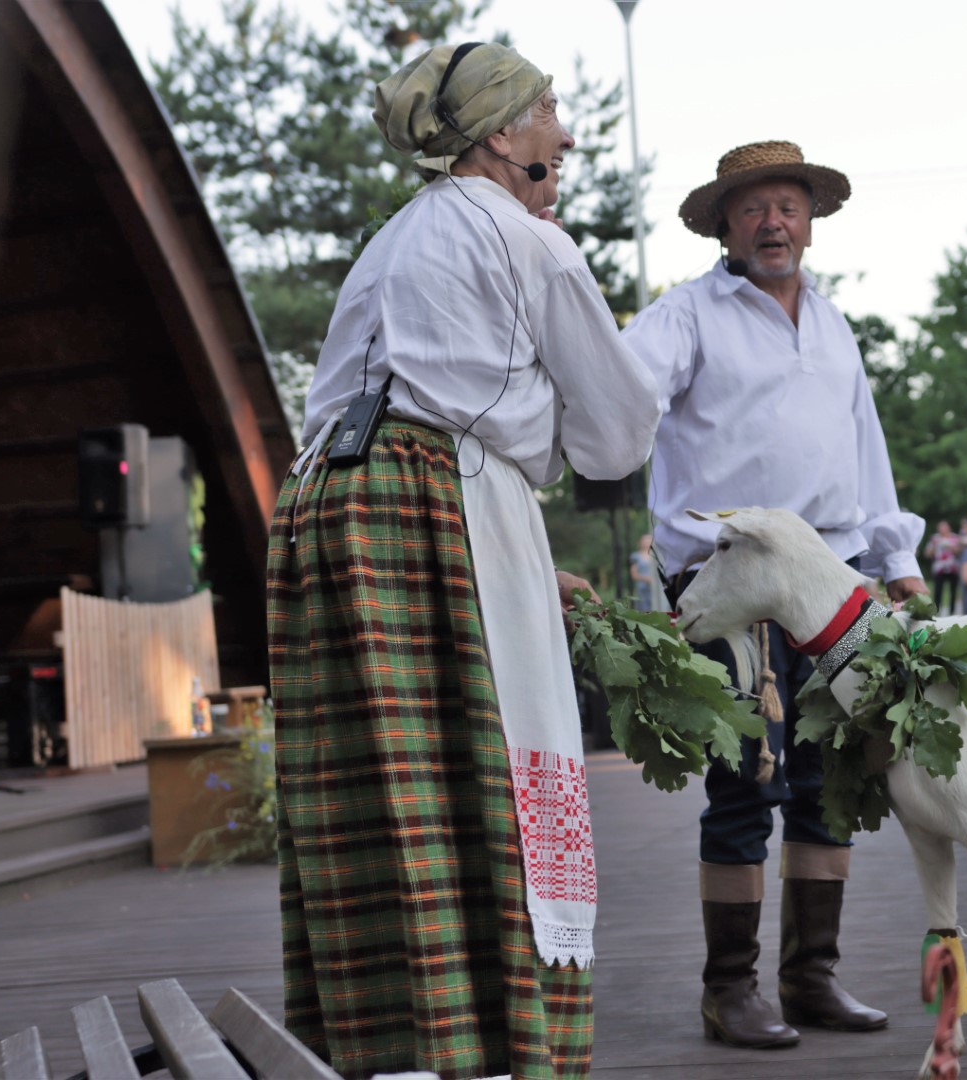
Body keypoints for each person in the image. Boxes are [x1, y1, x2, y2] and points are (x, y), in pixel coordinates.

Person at [267, 42, 661, 1078]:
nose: (568, 136)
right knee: (487, 784)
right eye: (551, 114)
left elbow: (364, 403)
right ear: (500, 136)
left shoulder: (388, 242)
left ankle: (392, 1047)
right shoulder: (532, 241)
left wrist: (525, 561)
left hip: (323, 516)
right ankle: (494, 1050)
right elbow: (618, 435)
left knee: (383, 793)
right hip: (432, 505)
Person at [623, 141, 922, 1050]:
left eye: (786, 206)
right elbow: (621, 392)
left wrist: (897, 557)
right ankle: (730, 990)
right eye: (752, 208)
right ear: (724, 223)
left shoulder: (834, 327)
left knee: (833, 776)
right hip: (730, 578)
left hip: (832, 580)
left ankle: (811, 979)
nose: (772, 223)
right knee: (744, 779)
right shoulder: (684, 317)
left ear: (810, 220)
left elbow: (865, 449)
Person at [924, 520, 964, 615]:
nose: (942, 529)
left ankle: (952, 612)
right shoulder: (935, 539)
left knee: (953, 591)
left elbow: (960, 552)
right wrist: (935, 546)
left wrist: (951, 548)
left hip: (953, 568)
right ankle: (936, 612)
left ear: (949, 528)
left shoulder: (956, 538)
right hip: (939, 569)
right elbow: (927, 554)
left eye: (944, 527)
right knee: (938, 591)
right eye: (940, 527)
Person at [630, 532, 658, 611]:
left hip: (655, 589)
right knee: (644, 611)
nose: (646, 542)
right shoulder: (636, 556)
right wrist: (648, 579)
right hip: (642, 589)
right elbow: (634, 574)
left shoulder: (657, 555)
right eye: (644, 541)